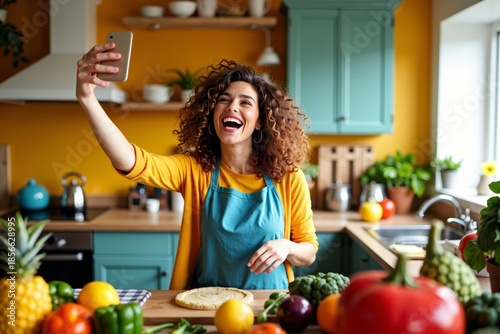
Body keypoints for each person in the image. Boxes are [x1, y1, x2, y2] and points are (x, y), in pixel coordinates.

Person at [76, 42, 318, 290]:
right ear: (213, 114)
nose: (232, 106)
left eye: (245, 103)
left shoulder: (287, 177)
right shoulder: (195, 170)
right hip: (207, 304)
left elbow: (308, 251)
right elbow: (128, 159)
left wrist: (287, 247)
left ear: (259, 121)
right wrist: (87, 97)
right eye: (224, 100)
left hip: (271, 303)